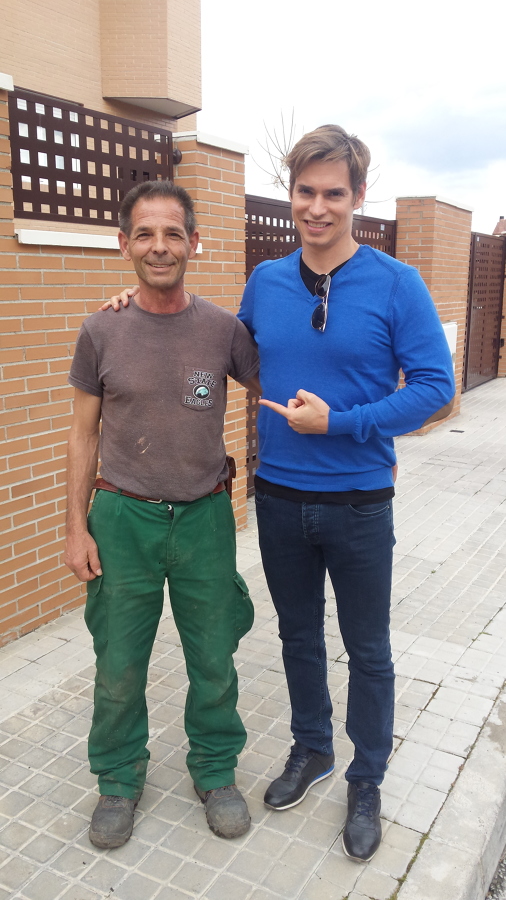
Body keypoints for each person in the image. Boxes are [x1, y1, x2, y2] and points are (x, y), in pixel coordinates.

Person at [105, 125, 455, 863]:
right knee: (297, 637)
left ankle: (366, 777)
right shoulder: (265, 282)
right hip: (279, 498)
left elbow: (438, 391)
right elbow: (210, 346)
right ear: (291, 194)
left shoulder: (398, 284)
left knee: (368, 649)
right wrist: (132, 304)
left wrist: (345, 423)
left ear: (359, 197)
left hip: (359, 501)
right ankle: (312, 749)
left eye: (334, 193)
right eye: (306, 191)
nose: (318, 207)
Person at [64, 180, 260, 850]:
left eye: (173, 233)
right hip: (124, 519)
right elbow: (83, 435)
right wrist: (74, 525)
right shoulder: (101, 330)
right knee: (119, 661)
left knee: (214, 657)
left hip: (205, 518)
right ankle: (118, 779)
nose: (159, 246)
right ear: (124, 245)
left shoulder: (224, 332)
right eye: (144, 234)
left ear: (193, 244)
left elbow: (282, 382)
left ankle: (215, 770)